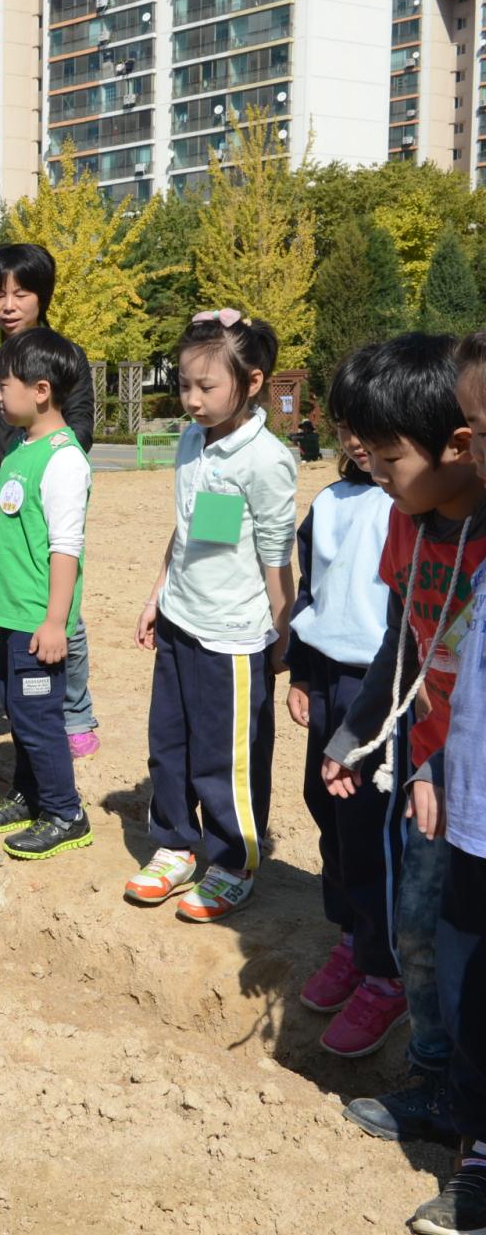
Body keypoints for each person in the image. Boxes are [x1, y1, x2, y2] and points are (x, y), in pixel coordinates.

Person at [319, 335, 486, 1164]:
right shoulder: (403, 522)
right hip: (426, 781)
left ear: (459, 444)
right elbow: (401, 646)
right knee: (419, 931)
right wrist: (356, 734)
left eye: (388, 458)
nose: (376, 475)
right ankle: (430, 1080)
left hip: (473, 784)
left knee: (470, 953)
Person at [128, 311, 296, 921]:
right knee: (168, 743)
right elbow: (191, 530)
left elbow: (278, 557)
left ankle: (232, 860)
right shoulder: (192, 441)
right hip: (180, 620)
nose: (192, 400)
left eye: (207, 387)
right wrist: (156, 596)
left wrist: (283, 637)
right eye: (184, 385)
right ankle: (174, 844)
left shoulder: (267, 459)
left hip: (234, 635)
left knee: (227, 756)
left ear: (251, 383)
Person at [283, 347, 409, 1058]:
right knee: (323, 805)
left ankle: (385, 970)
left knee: (370, 827)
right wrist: (301, 673)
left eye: (371, 426)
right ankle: (350, 936)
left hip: (380, 688)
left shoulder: (407, 505)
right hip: (329, 679)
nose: (357, 440)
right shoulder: (328, 505)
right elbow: (312, 594)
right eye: (347, 424)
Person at [0, 243, 101, 759]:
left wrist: (34, 459)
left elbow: (80, 428)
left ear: (42, 295)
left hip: (38, 505)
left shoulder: (65, 356)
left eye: (21, 293)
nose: (8, 304)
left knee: (58, 610)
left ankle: (74, 710)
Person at [403, 338, 486, 1235]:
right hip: (466, 811)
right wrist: (427, 759)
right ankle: (471, 1135)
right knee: (466, 975)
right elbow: (448, 664)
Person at [0, 328, 95, 861]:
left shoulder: (63, 459)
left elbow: (66, 548)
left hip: (37, 619)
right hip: (11, 614)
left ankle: (65, 812)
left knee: (40, 719)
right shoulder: (23, 446)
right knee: (20, 710)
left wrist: (55, 622)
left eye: (5, 384)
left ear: (41, 390)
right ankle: (28, 795)